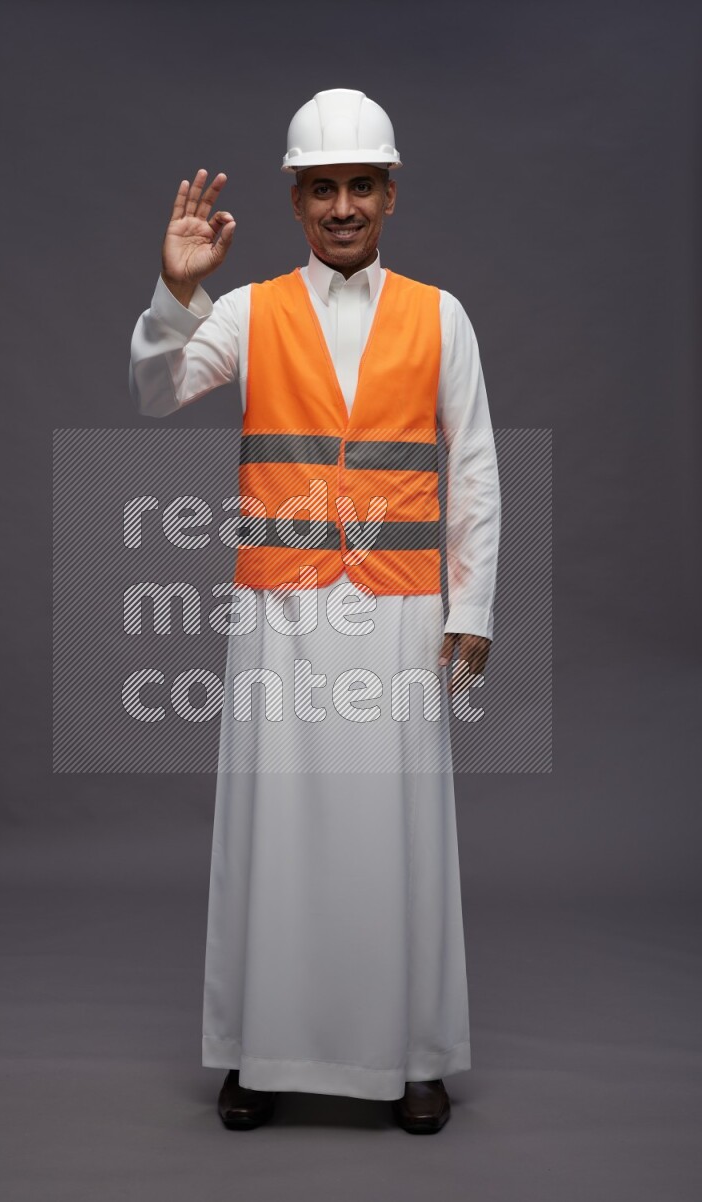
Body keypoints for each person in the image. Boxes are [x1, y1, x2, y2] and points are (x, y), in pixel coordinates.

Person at [129, 88, 501, 1133]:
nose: (343, 204)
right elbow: (156, 392)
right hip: (280, 614)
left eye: (361, 185)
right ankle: (255, 1049)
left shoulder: (442, 315)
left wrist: (468, 608)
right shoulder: (244, 310)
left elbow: (470, 467)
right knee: (270, 828)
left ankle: (415, 1053)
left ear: (388, 194)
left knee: (403, 832)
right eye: (323, 187)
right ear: (297, 200)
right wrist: (175, 288)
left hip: (396, 610)